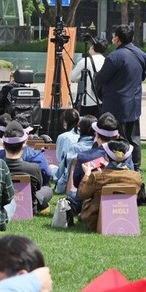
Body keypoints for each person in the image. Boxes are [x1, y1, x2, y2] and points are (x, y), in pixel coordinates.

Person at [94, 24, 146, 172]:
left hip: (115, 104)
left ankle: (116, 166)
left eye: (113, 36)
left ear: (117, 39)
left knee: (114, 137)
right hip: (134, 104)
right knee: (134, 138)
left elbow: (101, 78)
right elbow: (142, 75)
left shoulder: (115, 56)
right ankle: (136, 168)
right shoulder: (141, 54)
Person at [77, 140, 143, 232]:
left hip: (96, 221)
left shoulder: (96, 176)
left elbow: (82, 194)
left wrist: (87, 174)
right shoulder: (136, 177)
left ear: (106, 156)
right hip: (128, 220)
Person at [71, 113, 134, 201]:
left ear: (96, 134)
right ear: (117, 136)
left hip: (92, 201)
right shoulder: (126, 155)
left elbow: (77, 183)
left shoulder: (84, 156)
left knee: (72, 195)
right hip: (123, 199)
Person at [1, 122, 52, 213]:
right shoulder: (33, 168)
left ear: (4, 145)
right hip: (30, 206)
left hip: (2, 204)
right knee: (47, 190)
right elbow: (38, 187)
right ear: (23, 145)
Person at [56, 115, 96, 194]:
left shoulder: (74, 147)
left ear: (79, 129)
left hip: (74, 187)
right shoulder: (100, 147)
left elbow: (65, 172)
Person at [71, 39, 106, 117]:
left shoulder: (85, 61)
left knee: (85, 126)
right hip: (102, 101)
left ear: (92, 47)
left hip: (86, 101)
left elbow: (72, 77)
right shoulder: (107, 61)